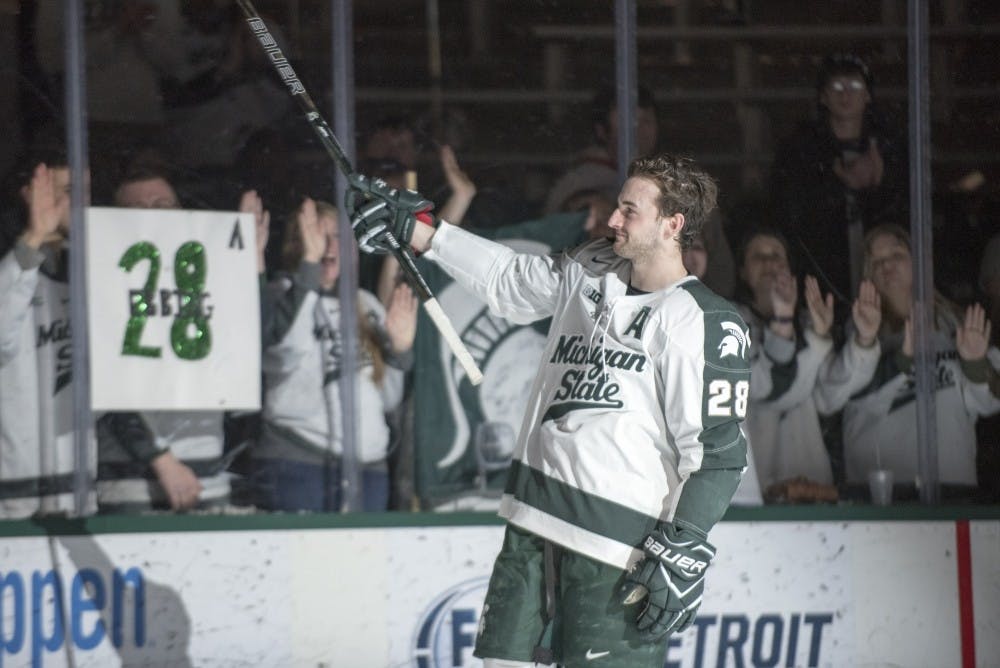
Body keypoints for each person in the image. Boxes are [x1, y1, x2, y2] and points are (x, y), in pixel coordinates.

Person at [349, 153, 751, 666]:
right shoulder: (590, 266)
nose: (612, 220)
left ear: (673, 225)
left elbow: (717, 454)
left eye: (630, 211)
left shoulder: (705, 321)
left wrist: (686, 546)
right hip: (531, 525)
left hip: (615, 551)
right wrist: (424, 234)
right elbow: (509, 280)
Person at [95, 164, 270, 513]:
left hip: (208, 475)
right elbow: (104, 384)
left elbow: (251, 352)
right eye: (138, 210)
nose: (154, 218)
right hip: (132, 485)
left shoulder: (207, 276)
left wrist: (251, 268)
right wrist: (160, 460)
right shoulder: (102, 283)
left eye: (163, 206)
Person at [253, 198, 417, 512]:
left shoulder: (364, 303)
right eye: (318, 236)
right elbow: (283, 351)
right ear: (296, 245)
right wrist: (309, 269)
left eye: (338, 238)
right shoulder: (280, 295)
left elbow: (388, 395)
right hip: (300, 462)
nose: (329, 247)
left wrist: (400, 350)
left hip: (368, 467)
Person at [840, 224, 1000, 501]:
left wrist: (975, 364)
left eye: (897, 254)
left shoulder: (956, 325)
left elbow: (989, 401)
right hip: (882, 491)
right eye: (877, 261)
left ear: (919, 262)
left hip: (951, 485)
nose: (887, 264)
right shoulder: (859, 332)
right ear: (869, 274)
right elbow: (843, 395)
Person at [772, 53, 908, 313]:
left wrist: (877, 184)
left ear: (868, 95)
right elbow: (790, 211)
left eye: (855, 86)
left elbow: (905, 213)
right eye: (836, 87)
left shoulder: (891, 147)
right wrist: (836, 187)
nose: (846, 94)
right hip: (824, 276)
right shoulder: (801, 150)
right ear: (823, 96)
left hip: (884, 286)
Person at [0, 151, 97, 517]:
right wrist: (34, 239)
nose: (80, 203)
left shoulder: (94, 269)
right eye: (68, 190)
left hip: (79, 495)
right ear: (30, 195)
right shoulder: (12, 264)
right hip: (14, 502)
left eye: (86, 192)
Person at [732, 229, 839, 501]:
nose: (768, 263)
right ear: (743, 271)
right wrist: (789, 328)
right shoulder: (728, 322)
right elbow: (761, 391)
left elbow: (830, 399)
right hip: (754, 487)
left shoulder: (811, 322)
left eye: (776, 256)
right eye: (758, 256)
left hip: (812, 483)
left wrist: (861, 340)